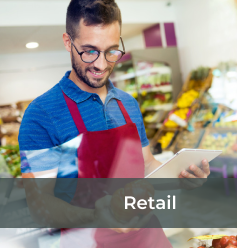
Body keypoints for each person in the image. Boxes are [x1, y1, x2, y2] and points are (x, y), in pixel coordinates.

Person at [18, 0, 210, 247]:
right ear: (68, 42)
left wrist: (181, 175)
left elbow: (146, 164)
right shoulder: (41, 114)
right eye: (89, 51)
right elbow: (39, 205)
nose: (101, 64)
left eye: (111, 51)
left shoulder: (127, 103)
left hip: (148, 238)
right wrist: (97, 216)